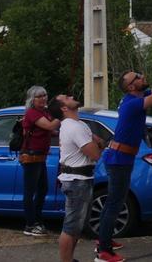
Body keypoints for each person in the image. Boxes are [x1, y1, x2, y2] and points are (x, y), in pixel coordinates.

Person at [97, 56, 152, 262]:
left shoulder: (136, 97)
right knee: (114, 203)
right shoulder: (132, 104)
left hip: (121, 158)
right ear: (131, 87)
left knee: (114, 201)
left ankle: (104, 238)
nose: (141, 76)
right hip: (118, 159)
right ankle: (104, 251)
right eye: (136, 77)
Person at [56, 93, 101, 262]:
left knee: (76, 226)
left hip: (81, 179)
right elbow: (96, 153)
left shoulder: (79, 124)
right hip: (76, 181)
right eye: (67, 98)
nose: (71, 96)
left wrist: (95, 141)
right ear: (64, 108)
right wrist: (96, 142)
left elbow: (96, 145)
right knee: (71, 227)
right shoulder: (74, 127)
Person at [20, 85, 61, 236]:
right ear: (32, 99)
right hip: (31, 156)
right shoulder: (32, 113)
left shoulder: (43, 112)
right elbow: (49, 125)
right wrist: (62, 116)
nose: (43, 98)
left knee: (42, 189)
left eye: (44, 95)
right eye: (39, 96)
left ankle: (37, 220)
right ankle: (30, 225)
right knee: (30, 191)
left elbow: (51, 130)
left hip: (41, 156)